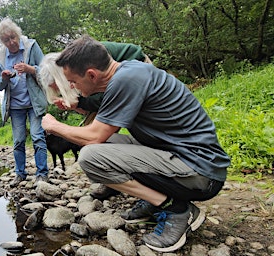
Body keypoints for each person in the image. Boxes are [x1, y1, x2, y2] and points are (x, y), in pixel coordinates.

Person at [41, 35, 230, 252]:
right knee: (105, 143)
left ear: (92, 74)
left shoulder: (126, 80)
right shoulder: (128, 72)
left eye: (73, 81)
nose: (71, 87)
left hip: (201, 172)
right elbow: (103, 133)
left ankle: (175, 209)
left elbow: (94, 136)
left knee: (90, 156)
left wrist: (54, 126)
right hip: (183, 158)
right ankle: (156, 199)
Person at [38, 41, 152, 200]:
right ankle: (114, 179)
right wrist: (76, 106)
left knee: (93, 139)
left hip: (138, 67)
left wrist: (55, 126)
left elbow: (104, 99)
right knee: (89, 137)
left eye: (59, 88)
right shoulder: (74, 68)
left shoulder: (87, 61)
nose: (63, 90)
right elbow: (94, 104)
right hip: (118, 83)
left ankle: (151, 189)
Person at [0, 18, 49, 187]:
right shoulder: (2, 58)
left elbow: (47, 72)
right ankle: (20, 174)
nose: (11, 42)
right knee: (18, 141)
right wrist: (3, 78)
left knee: (38, 136)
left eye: (12, 37)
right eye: (6, 40)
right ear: (2, 42)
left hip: (34, 103)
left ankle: (42, 174)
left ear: (17, 35)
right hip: (15, 106)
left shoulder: (32, 47)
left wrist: (30, 69)